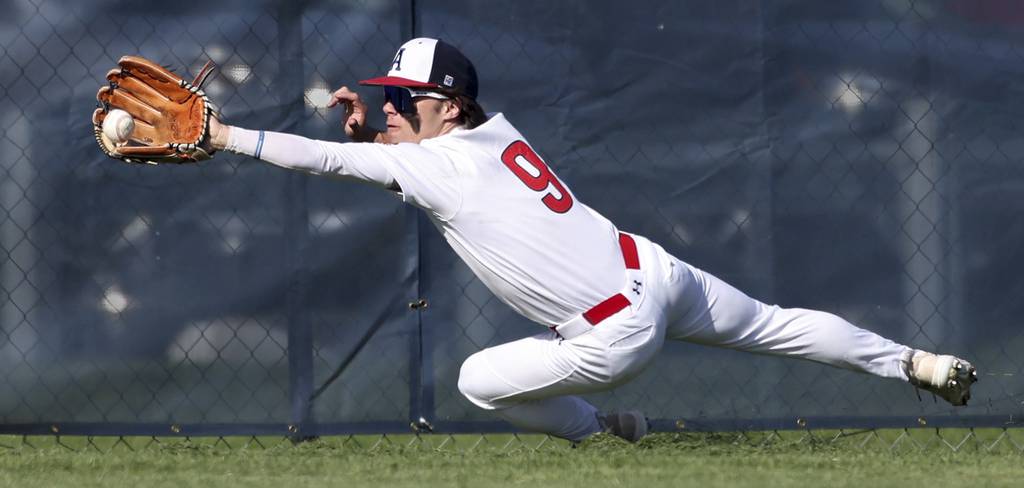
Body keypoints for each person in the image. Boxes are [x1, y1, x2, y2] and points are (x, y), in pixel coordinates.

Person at [206, 38, 977, 442]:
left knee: (476, 379)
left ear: (446, 104)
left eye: (401, 99)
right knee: (775, 324)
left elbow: (330, 159)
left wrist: (226, 133)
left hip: (615, 333)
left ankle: (601, 432)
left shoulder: (438, 163)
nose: (389, 108)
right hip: (656, 270)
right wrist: (382, 133)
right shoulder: (490, 135)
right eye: (388, 99)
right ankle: (917, 363)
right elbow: (398, 155)